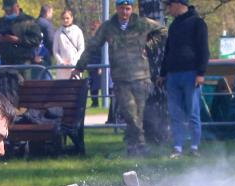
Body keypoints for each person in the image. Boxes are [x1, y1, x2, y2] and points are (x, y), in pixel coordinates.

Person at [72, 0, 168, 156]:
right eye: (122, 9)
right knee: (130, 114)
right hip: (121, 78)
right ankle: (140, 145)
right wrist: (79, 66)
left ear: (132, 9)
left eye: (128, 9)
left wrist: (149, 45)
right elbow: (93, 46)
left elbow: (163, 30)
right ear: (116, 8)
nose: (125, 12)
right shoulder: (109, 27)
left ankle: (133, 146)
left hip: (141, 77)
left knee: (139, 114)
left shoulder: (141, 23)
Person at [160, 0, 208, 158]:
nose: (168, 9)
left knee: (193, 113)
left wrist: (201, 73)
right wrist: (163, 73)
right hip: (173, 75)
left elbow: (204, 50)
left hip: (191, 74)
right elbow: (168, 50)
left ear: (179, 4)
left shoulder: (197, 23)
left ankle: (194, 146)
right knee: (175, 113)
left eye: (169, 5)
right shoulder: (173, 26)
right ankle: (178, 147)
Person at [0, 0, 43, 67]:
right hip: (4, 62)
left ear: (17, 6)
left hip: (24, 62)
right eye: (6, 10)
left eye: (10, 9)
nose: (8, 12)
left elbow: (36, 39)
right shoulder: (2, 22)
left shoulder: (29, 21)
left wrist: (18, 40)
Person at [53, 9, 85, 79]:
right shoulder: (58, 32)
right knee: (62, 88)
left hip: (75, 66)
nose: (65, 20)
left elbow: (81, 48)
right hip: (61, 68)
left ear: (72, 18)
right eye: (63, 18)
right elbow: (55, 50)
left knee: (75, 87)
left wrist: (73, 61)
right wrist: (61, 62)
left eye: (67, 18)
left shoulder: (77, 31)